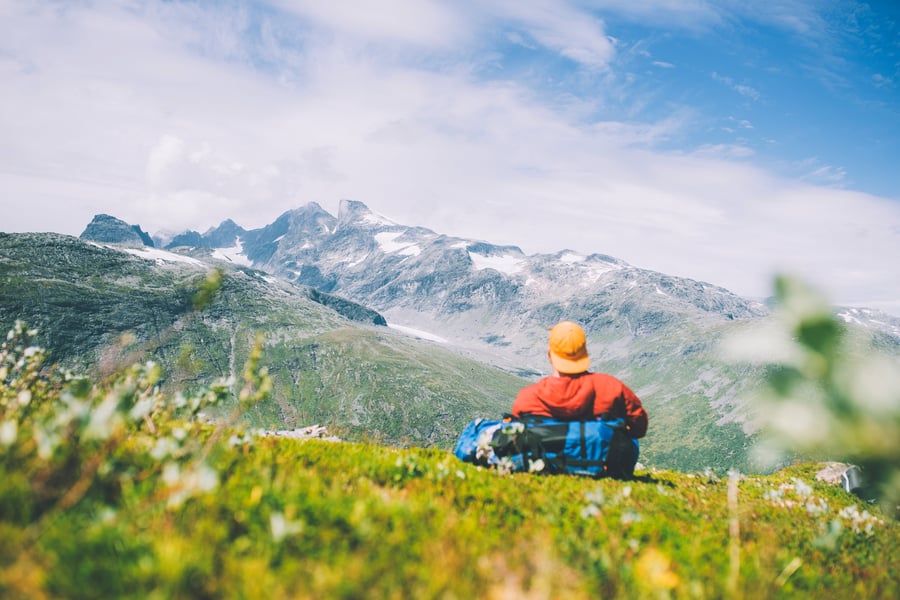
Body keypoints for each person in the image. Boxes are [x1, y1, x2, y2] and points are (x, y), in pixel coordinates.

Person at [512, 321, 648, 440]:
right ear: (584, 352)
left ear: (550, 353)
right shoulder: (611, 387)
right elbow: (639, 427)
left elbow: (516, 433)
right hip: (603, 466)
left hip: (546, 465)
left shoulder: (527, 397)